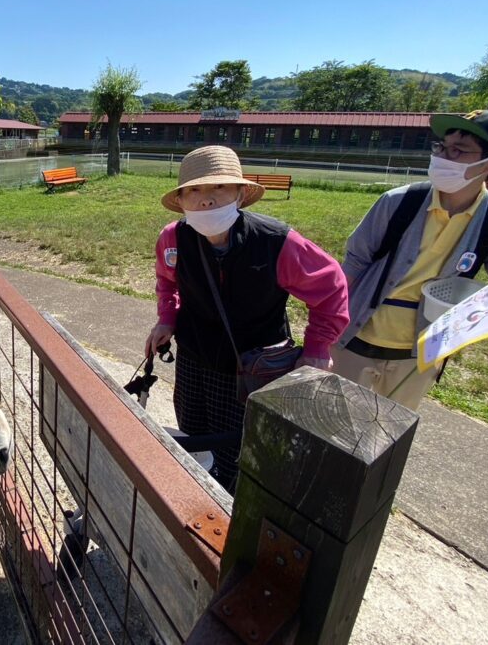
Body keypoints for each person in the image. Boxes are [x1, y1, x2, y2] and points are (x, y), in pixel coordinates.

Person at [145, 145, 349, 493]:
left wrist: (316, 348)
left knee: (239, 452)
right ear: (181, 200)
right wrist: (167, 318)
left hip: (251, 369)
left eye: (218, 188)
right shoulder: (173, 238)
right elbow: (167, 281)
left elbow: (332, 287)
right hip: (194, 358)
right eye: (194, 190)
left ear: (240, 194)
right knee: (195, 439)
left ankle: (230, 511)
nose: (206, 200)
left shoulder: (275, 242)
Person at [331, 110, 488, 411]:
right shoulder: (398, 202)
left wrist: (472, 320)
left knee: (386, 435)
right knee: (334, 423)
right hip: (354, 340)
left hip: (417, 357)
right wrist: (328, 323)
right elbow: (353, 264)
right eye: (442, 147)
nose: (444, 157)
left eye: (458, 150)